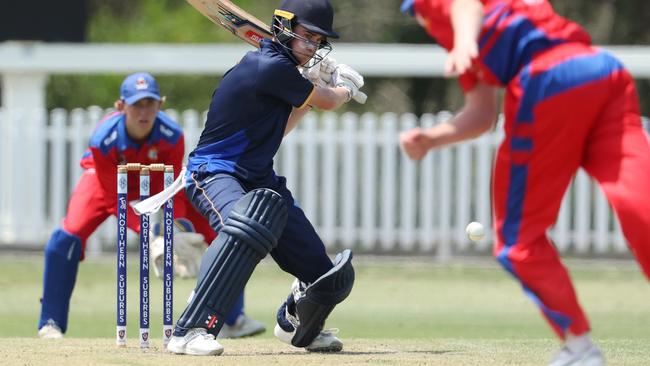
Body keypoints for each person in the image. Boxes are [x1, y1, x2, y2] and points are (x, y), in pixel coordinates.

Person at [399, 0, 650, 365]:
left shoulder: (442, 16)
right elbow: (482, 113)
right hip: (602, 72)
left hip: (547, 82)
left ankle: (580, 350)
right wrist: (432, 138)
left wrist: (466, 40)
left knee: (518, 242)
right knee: (642, 206)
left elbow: (464, 5)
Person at [165, 0, 362, 356]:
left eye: (319, 41)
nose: (313, 47)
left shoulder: (282, 74)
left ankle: (294, 323)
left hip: (258, 178)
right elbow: (331, 101)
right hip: (213, 172)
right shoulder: (266, 66)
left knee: (325, 275)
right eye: (307, 37)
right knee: (245, 230)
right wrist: (342, 87)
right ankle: (189, 330)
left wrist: (310, 92)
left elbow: (281, 129)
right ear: (284, 27)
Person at [37, 72, 264, 340]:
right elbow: (115, 200)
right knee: (65, 239)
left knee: (224, 232)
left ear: (160, 104)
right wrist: (153, 234)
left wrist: (174, 229)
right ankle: (50, 322)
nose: (143, 112)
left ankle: (232, 319)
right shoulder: (104, 140)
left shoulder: (171, 136)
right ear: (121, 106)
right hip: (106, 184)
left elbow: (172, 191)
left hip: (156, 184)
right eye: (136, 105)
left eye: (149, 104)